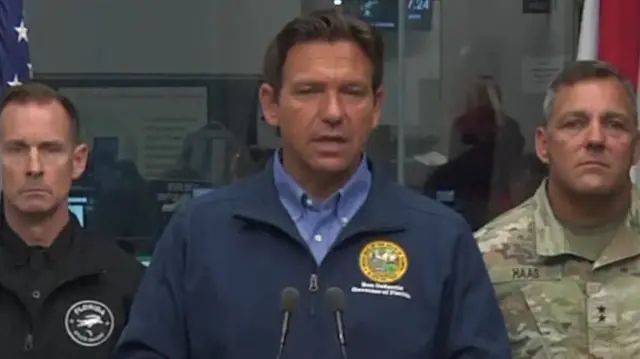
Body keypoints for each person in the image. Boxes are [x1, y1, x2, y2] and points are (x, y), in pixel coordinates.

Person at [114, 9, 510, 359]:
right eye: (310, 91)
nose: (333, 112)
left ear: (376, 107)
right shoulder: (200, 232)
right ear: (271, 105)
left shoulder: (439, 238)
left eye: (352, 92)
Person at [476, 60, 640, 358]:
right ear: (543, 145)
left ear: (636, 147)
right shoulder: (485, 259)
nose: (595, 139)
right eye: (574, 123)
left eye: (614, 124)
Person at [0, 82, 144, 359]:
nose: (34, 168)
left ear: (78, 161)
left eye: (50, 149)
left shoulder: (124, 280)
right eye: (17, 149)